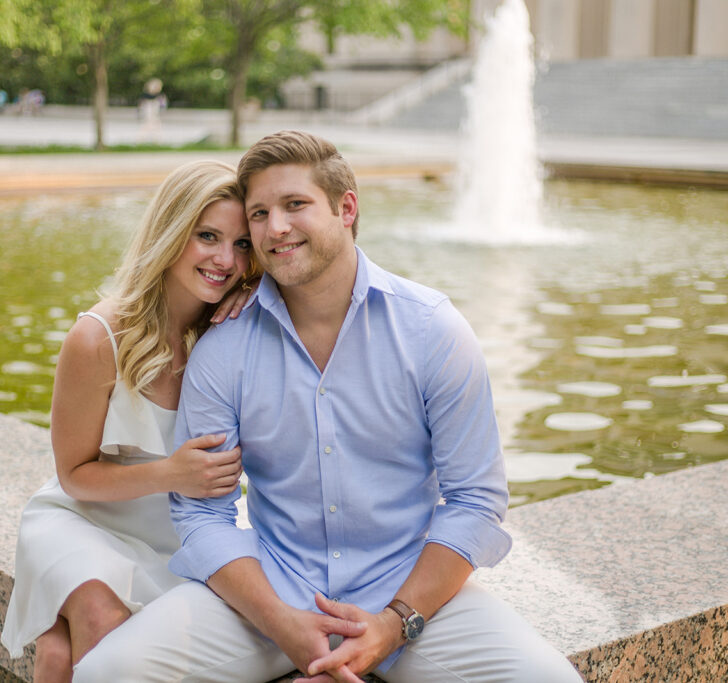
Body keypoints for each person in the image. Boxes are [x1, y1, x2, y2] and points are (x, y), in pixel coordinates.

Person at [73, 131, 582, 681]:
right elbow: (201, 512)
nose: (276, 228)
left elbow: (476, 499)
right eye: (260, 213)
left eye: (295, 205)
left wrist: (395, 621)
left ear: (346, 208)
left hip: (410, 597)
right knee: (109, 672)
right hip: (272, 591)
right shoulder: (224, 346)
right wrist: (280, 621)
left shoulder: (431, 330)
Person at [1, 160, 260, 682]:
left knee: (60, 654)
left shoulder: (233, 334)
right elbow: (74, 474)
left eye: (241, 244)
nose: (223, 259)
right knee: (105, 625)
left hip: (174, 539)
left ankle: (58, 626)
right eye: (206, 236)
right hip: (83, 521)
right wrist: (172, 474)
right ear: (170, 232)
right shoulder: (97, 339)